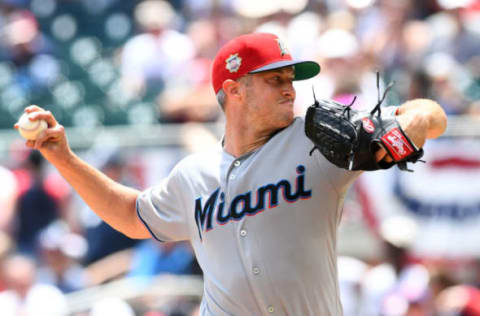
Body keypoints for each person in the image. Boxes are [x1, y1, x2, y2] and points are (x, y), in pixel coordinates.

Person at [15, 33, 447, 315]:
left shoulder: (317, 140)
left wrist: (411, 124)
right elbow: (130, 215)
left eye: (290, 79)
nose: (290, 88)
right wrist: (64, 158)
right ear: (234, 90)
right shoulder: (194, 174)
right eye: (274, 79)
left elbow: (432, 115)